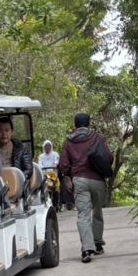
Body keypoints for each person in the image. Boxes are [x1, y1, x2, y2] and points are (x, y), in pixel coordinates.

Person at [59, 112, 113, 263]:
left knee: (83, 215)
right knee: (97, 212)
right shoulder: (98, 138)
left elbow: (64, 164)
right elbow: (109, 157)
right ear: (89, 124)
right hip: (97, 180)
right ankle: (98, 244)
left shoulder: (69, 142)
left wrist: (67, 177)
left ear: (75, 125)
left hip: (79, 180)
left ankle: (87, 249)